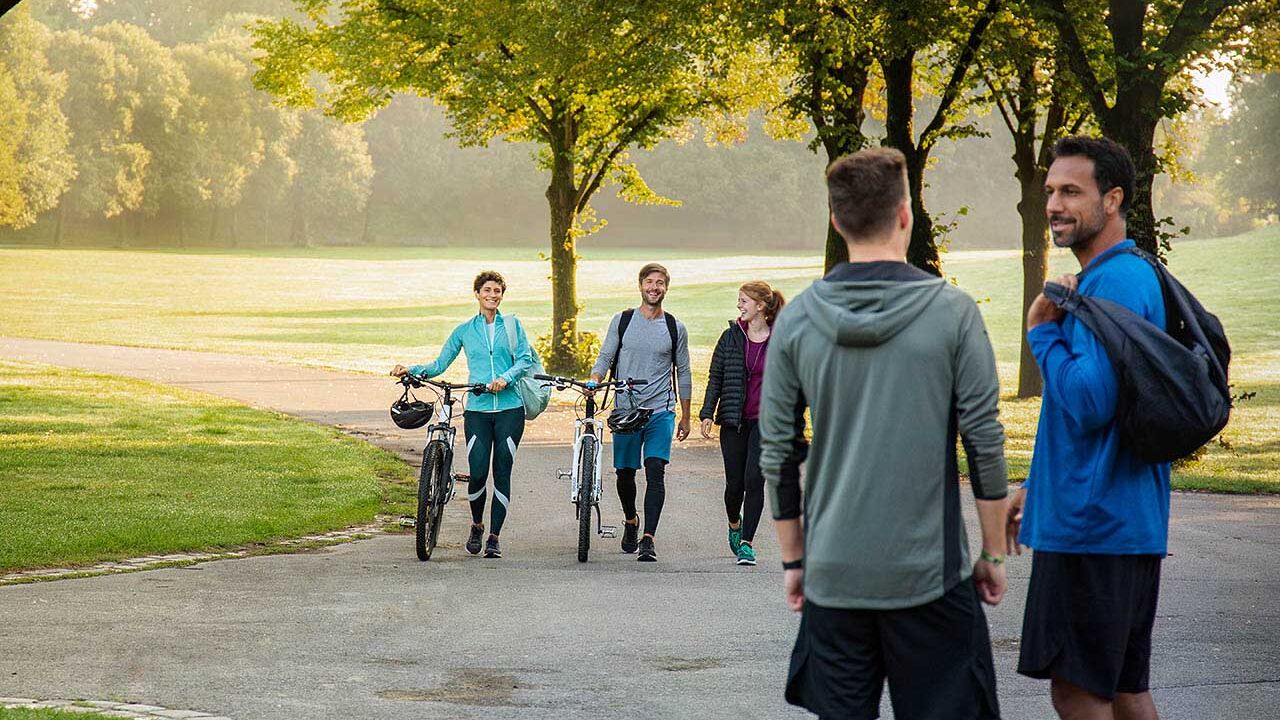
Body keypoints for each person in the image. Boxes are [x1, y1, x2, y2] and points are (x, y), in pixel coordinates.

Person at [759, 147, 1010, 720]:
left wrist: (794, 563)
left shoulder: (796, 319)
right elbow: (984, 441)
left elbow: (776, 452)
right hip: (932, 577)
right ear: (905, 215)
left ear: (835, 219)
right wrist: (993, 552)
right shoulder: (952, 313)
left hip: (833, 574)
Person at [1008, 136, 1170, 720]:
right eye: (1051, 190)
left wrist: (1041, 330)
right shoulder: (1118, 277)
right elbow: (1087, 420)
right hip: (1113, 523)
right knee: (1124, 693)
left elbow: (1089, 402)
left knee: (1078, 692)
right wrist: (1034, 485)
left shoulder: (1114, 282)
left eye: (1072, 191)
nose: (1055, 203)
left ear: (1113, 198)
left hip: (1094, 528)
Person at [391, 270, 533, 560]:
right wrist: (413, 370)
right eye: (488, 290)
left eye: (497, 291)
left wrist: (505, 378)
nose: (493, 295)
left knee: (502, 471)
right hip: (478, 410)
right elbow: (441, 363)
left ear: (502, 295)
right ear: (477, 294)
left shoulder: (513, 326)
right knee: (478, 472)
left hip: (510, 409)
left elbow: (525, 360)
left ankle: (494, 537)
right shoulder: (465, 330)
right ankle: (477, 525)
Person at [588, 262, 693, 562]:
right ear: (640, 285)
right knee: (625, 473)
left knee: (656, 469)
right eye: (649, 282)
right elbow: (606, 355)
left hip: (661, 410)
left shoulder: (675, 327)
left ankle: (649, 538)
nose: (654, 287)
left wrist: (685, 415)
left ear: (666, 288)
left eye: (660, 283)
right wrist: (594, 379)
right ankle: (631, 520)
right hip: (626, 410)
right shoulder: (622, 321)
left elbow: (683, 372)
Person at [700, 281, 786, 566]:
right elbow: (716, 377)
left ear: (760, 306)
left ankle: (747, 543)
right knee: (735, 485)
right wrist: (707, 413)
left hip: (766, 422)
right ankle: (734, 524)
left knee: (754, 480)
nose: (739, 305)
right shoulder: (731, 337)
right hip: (734, 420)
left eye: (744, 300)